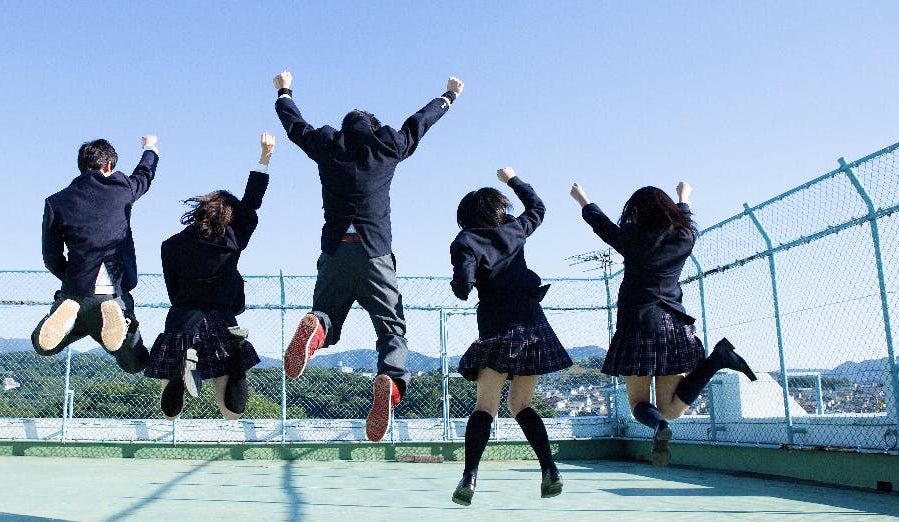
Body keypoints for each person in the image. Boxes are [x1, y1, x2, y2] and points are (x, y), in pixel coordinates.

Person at [273, 69, 465, 442]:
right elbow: (419, 123)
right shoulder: (387, 145)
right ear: (374, 128)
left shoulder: (328, 144)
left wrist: (284, 91)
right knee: (391, 329)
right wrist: (448, 96)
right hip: (375, 251)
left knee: (326, 314)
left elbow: (295, 126)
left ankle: (317, 329)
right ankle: (390, 380)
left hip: (336, 249)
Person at [570, 181, 756, 466]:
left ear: (636, 212)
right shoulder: (685, 236)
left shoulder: (632, 238)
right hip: (674, 325)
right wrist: (684, 198)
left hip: (639, 325)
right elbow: (684, 218)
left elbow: (602, 225)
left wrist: (583, 199)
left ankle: (658, 426)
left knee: (639, 404)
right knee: (670, 408)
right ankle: (717, 359)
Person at [449, 168, 569, 506]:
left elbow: (462, 288)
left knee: (486, 407)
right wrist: (513, 179)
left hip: (498, 330)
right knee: (521, 405)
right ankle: (550, 470)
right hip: (532, 327)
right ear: (498, 209)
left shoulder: (466, 241)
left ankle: (469, 476)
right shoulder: (515, 230)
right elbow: (538, 207)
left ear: (467, 217)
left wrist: (464, 280)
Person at [145, 133, 275, 420]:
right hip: (220, 320)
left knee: (170, 415)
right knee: (231, 413)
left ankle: (180, 374)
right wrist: (264, 158)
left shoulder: (171, 246)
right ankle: (236, 358)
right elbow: (251, 205)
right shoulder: (231, 240)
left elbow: (173, 291)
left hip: (182, 320)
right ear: (229, 216)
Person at [34, 136, 158, 373]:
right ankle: (124, 324)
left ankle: (61, 316)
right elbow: (145, 173)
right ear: (109, 165)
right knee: (135, 363)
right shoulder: (123, 188)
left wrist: (71, 278)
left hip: (75, 294)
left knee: (43, 346)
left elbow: (50, 257)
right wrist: (150, 146)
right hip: (114, 295)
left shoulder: (56, 201)